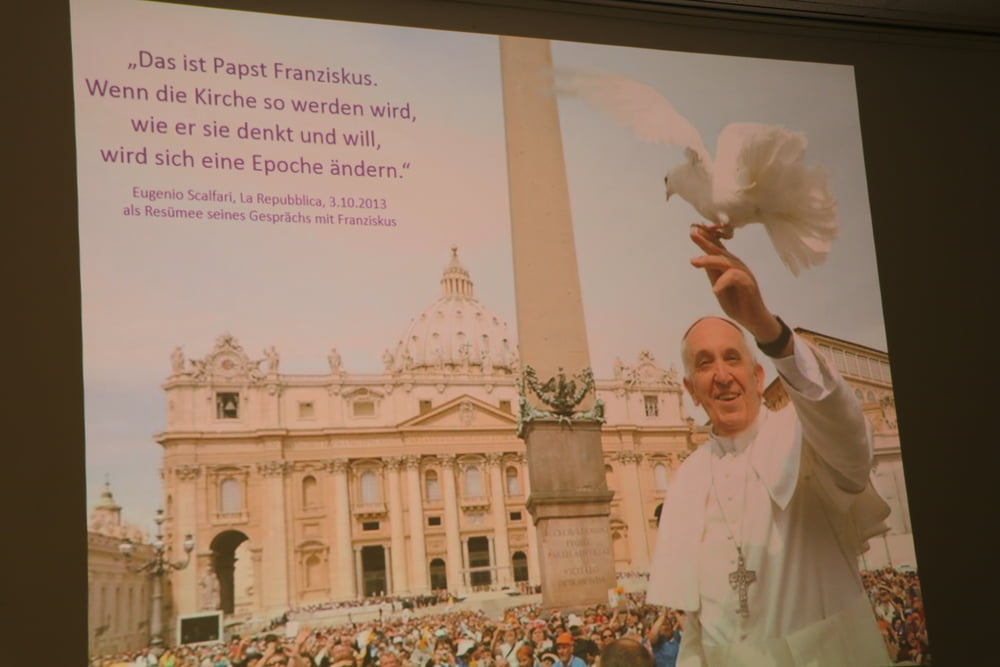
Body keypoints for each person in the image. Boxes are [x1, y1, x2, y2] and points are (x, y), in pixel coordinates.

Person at [646, 225, 892, 666]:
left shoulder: (805, 436)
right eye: (705, 364)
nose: (722, 376)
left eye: (732, 358)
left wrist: (766, 328)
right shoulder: (687, 478)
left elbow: (850, 436)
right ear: (690, 389)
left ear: (759, 377)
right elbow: (696, 634)